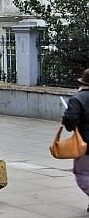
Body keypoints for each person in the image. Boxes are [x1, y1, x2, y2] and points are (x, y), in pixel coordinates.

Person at [62, 67, 89, 212]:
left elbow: (70, 120)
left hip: (85, 144)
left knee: (83, 174)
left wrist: (68, 122)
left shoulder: (77, 99)